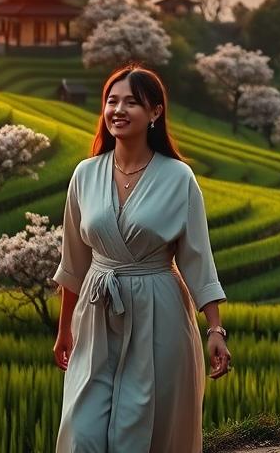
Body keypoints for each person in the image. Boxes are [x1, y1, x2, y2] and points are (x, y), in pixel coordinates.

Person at [52, 64, 231, 452]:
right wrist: (64, 328)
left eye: (131, 102)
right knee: (81, 431)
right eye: (111, 101)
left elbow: (198, 259)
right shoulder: (85, 174)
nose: (118, 109)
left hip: (159, 312)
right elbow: (74, 262)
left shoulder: (178, 177)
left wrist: (215, 330)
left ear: (155, 112)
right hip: (96, 314)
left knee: (141, 430)